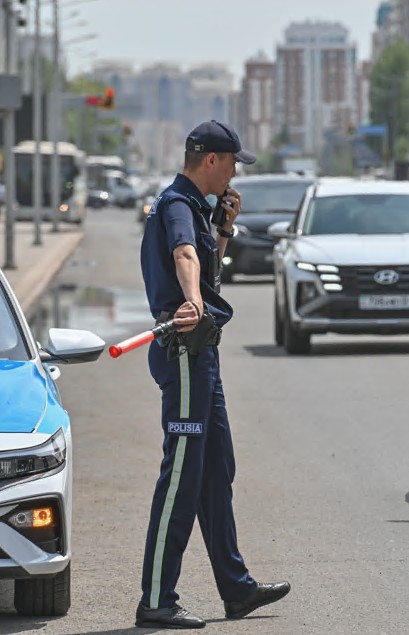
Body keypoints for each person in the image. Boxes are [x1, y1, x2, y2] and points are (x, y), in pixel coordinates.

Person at [135, 120, 291, 629]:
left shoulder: (199, 209)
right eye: (231, 163)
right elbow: (184, 256)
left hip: (203, 353)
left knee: (215, 471)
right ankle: (157, 598)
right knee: (181, 475)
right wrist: (195, 303)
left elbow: (203, 259)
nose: (233, 173)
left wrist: (223, 230)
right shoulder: (177, 206)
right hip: (185, 349)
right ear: (210, 161)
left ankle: (236, 589)